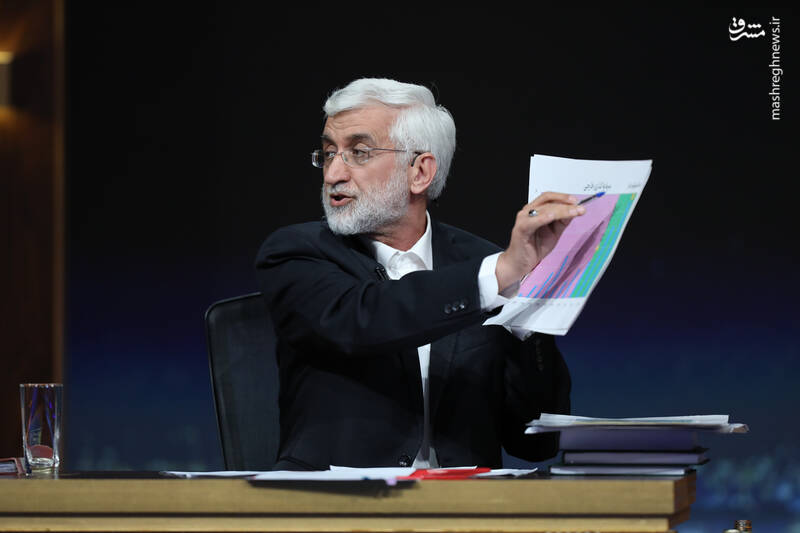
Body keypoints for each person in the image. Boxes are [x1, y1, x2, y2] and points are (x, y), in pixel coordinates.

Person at [255, 78, 585, 471]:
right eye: (328, 154)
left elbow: (536, 443)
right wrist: (497, 277)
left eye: (358, 153)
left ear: (420, 172)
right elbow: (365, 317)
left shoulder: (483, 265)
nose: (333, 174)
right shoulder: (295, 253)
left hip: (464, 504)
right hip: (338, 501)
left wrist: (527, 323)